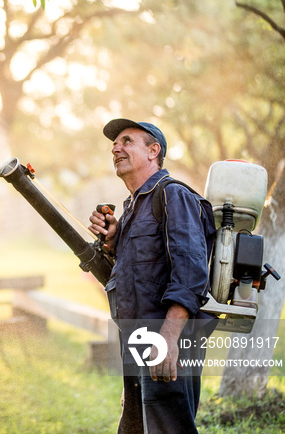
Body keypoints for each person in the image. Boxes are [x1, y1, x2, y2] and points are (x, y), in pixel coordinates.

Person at [88, 118, 216, 434]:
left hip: (166, 338)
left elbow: (190, 273)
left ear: (153, 151)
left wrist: (169, 340)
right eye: (114, 144)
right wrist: (111, 244)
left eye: (127, 141)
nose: (116, 148)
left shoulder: (173, 195)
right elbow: (138, 279)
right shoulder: (132, 207)